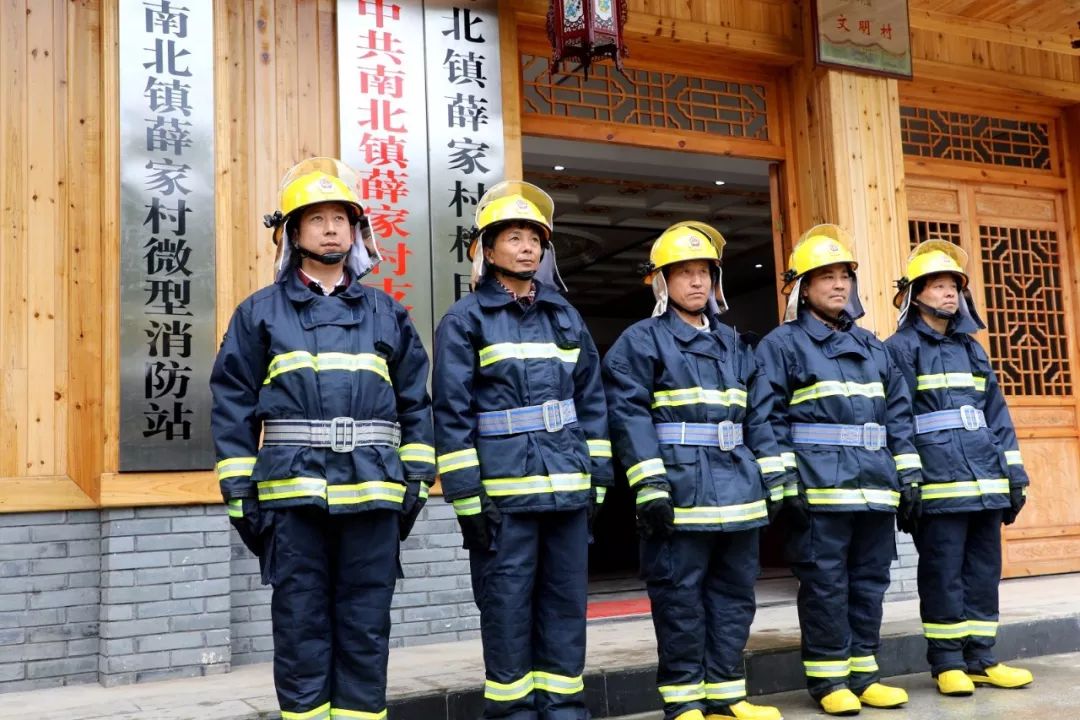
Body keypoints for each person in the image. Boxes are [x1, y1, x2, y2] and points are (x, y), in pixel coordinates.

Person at [210, 157, 435, 720]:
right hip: (293, 497)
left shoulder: (388, 313)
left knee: (366, 626)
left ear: (357, 232)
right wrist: (240, 493)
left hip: (374, 495)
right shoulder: (259, 313)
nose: (331, 229)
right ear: (292, 233)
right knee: (300, 625)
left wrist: (415, 482)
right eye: (317, 219)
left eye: (341, 219)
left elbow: (415, 402)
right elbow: (232, 405)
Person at [431, 180, 613, 720]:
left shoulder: (565, 316)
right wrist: (467, 498)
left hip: (567, 489)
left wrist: (599, 478)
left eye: (535, 239)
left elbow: (592, 401)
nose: (527, 247)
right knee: (507, 607)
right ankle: (512, 712)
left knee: (565, 604)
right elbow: (452, 412)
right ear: (487, 251)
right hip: (503, 498)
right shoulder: (465, 320)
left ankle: (564, 707)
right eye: (514, 238)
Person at [602, 222, 786, 720]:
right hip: (680, 488)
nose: (697, 281)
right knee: (679, 598)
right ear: (662, 282)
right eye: (684, 272)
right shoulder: (640, 342)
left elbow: (759, 416)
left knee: (734, 596)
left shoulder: (735, 343)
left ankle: (726, 694)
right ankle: (684, 700)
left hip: (738, 487)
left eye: (704, 272)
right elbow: (629, 417)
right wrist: (649, 485)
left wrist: (775, 479)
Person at [755, 224, 922, 716]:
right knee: (826, 587)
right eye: (825, 276)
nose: (837, 285)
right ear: (803, 288)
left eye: (844, 276)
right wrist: (783, 481)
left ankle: (864, 675)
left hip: (874, 488)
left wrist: (908, 476)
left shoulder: (874, 346)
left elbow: (898, 417)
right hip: (819, 492)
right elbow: (766, 418)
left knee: (870, 583)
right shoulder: (781, 345)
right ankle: (829, 681)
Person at [885, 239, 1032, 696]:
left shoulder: (973, 349)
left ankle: (982, 659)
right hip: (938, 484)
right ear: (914, 295)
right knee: (942, 574)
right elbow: (897, 417)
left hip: (985, 480)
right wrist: (908, 477)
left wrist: (1014, 474)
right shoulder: (900, 348)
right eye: (937, 285)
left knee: (984, 572)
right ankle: (948, 662)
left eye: (954, 286)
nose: (949, 293)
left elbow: (997, 415)